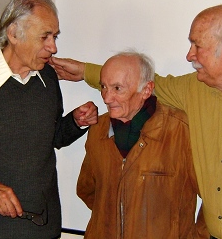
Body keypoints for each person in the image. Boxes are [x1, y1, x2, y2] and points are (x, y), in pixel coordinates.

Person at [50, 4, 222, 239]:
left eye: (197, 45)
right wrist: (83, 71)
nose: (189, 55)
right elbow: (144, 83)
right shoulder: (196, 89)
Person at [0, 0, 98, 239]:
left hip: (44, 228)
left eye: (54, 37)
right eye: (45, 37)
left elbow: (51, 138)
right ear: (13, 34)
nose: (53, 47)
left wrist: (75, 123)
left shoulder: (48, 78)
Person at [76, 50, 209, 239]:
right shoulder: (98, 129)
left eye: (117, 88)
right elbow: (87, 189)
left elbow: (212, 198)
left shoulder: (180, 130)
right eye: (104, 86)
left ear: (146, 90)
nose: (106, 97)